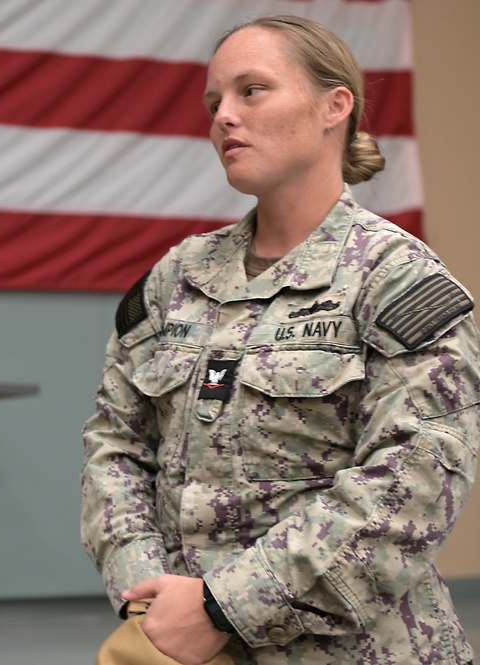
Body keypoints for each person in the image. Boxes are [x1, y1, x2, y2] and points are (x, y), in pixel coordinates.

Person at [81, 14, 479, 665]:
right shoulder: (176, 277)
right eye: (214, 101)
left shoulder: (396, 279)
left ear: (335, 106)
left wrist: (222, 607)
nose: (223, 117)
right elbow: (115, 444)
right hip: (178, 647)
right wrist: (149, 598)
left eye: (251, 90)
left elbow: (410, 486)